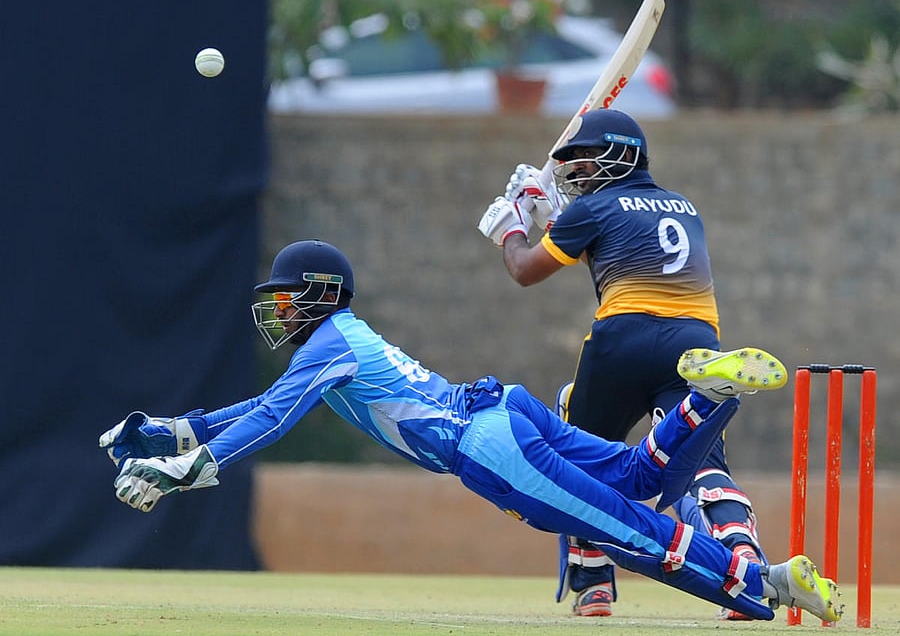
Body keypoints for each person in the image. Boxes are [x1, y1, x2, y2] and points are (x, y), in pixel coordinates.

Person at [100, 239, 841, 624]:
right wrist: (169, 434)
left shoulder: (329, 345)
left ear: (322, 295)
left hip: (490, 447)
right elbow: (257, 404)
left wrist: (185, 469)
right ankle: (704, 399)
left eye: (288, 297)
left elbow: (268, 418)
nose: (280, 311)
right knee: (633, 479)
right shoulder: (339, 345)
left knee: (624, 528)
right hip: (502, 409)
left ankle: (763, 584)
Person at [478, 108, 769, 620]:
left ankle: (593, 580)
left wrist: (512, 229)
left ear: (619, 153)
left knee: (583, 453)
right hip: (697, 344)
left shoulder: (591, 211)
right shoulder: (684, 206)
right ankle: (745, 565)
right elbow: (613, 248)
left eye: (584, 161)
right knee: (701, 463)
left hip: (623, 339)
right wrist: (551, 219)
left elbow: (526, 271)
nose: (576, 173)